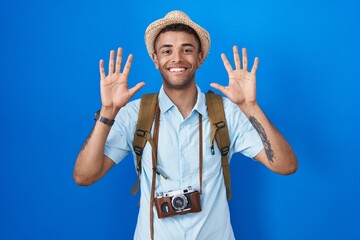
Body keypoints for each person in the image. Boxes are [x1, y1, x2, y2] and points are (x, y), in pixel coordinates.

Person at [74, 10, 297, 240]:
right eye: (167, 50)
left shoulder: (227, 112)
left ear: (200, 58)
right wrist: (108, 112)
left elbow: (286, 165)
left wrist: (250, 107)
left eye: (187, 50)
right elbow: (84, 176)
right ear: (155, 59)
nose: (177, 58)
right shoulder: (134, 114)